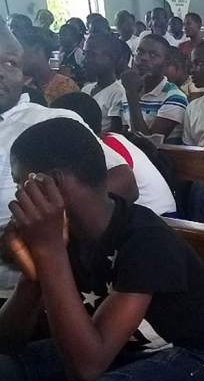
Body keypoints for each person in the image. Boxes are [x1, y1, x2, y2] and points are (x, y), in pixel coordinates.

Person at [0, 117, 204, 381]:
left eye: (20, 183)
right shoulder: (60, 232)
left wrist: (49, 253)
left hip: (197, 358)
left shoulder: (144, 237)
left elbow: (86, 368)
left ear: (52, 183)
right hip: (120, 348)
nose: (17, 197)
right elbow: (7, 341)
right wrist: (34, 270)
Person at [0, 21, 138, 288]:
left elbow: (125, 181)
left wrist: (38, 227)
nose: (1, 74)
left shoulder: (50, 121)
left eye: (10, 63)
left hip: (36, 288)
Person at [52, 92, 178, 216]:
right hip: (144, 214)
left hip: (160, 218)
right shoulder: (108, 139)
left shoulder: (106, 146)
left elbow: (102, 196)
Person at [120, 35, 188, 144]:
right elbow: (125, 135)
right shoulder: (127, 90)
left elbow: (148, 145)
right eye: (140, 52)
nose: (144, 58)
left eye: (153, 55)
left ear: (166, 63)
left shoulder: (175, 97)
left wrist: (131, 94)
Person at [81, 33, 126, 133]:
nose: (85, 60)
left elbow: (115, 134)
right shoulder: (86, 89)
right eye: (85, 54)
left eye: (92, 55)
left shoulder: (118, 93)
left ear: (111, 58)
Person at [20, 30, 79, 104]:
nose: (18, 58)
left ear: (37, 51)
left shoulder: (64, 86)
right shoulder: (25, 84)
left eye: (21, 52)